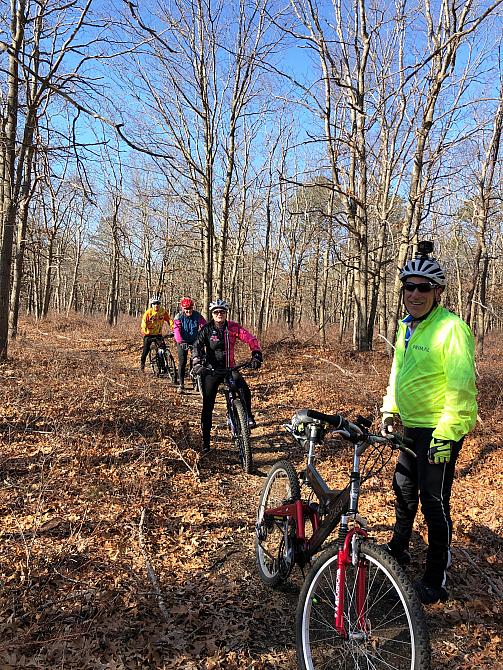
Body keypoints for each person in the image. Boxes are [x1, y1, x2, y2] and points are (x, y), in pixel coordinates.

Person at [381, 241, 477, 604]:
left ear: (437, 292)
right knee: (403, 488)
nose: (415, 294)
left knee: (433, 500)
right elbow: (398, 371)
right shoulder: (408, 327)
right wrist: (390, 408)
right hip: (412, 426)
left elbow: (461, 385)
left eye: (424, 287)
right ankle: (399, 547)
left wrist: (447, 432)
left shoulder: (451, 328)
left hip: (440, 429)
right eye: (410, 286)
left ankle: (436, 576)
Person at [192, 299, 263, 454]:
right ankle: (205, 440)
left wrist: (256, 353)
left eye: (222, 312)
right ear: (212, 314)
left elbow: (249, 338)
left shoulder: (233, 327)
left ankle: (248, 417)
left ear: (226, 314)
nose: (219, 314)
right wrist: (197, 361)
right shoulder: (207, 329)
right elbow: (197, 345)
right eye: (216, 312)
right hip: (212, 371)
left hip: (230, 368)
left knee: (242, 387)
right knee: (208, 405)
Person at [173, 297, 206, 393]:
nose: (188, 311)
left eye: (190, 309)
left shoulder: (197, 315)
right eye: (186, 309)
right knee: (182, 362)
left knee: (199, 359)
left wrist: (205, 337)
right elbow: (176, 330)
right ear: (183, 309)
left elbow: (204, 326)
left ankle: (198, 380)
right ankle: (181, 384)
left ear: (192, 308)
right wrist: (180, 341)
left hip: (195, 340)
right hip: (182, 341)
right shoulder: (178, 317)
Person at [139, 295, 174, 372]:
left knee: (163, 349)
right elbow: (143, 324)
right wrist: (145, 332)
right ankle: (142, 366)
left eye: (158, 303)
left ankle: (164, 366)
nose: (156, 305)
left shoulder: (163, 311)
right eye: (154, 304)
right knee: (145, 351)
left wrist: (173, 328)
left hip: (158, 334)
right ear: (152, 304)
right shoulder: (148, 313)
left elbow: (169, 320)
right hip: (148, 335)